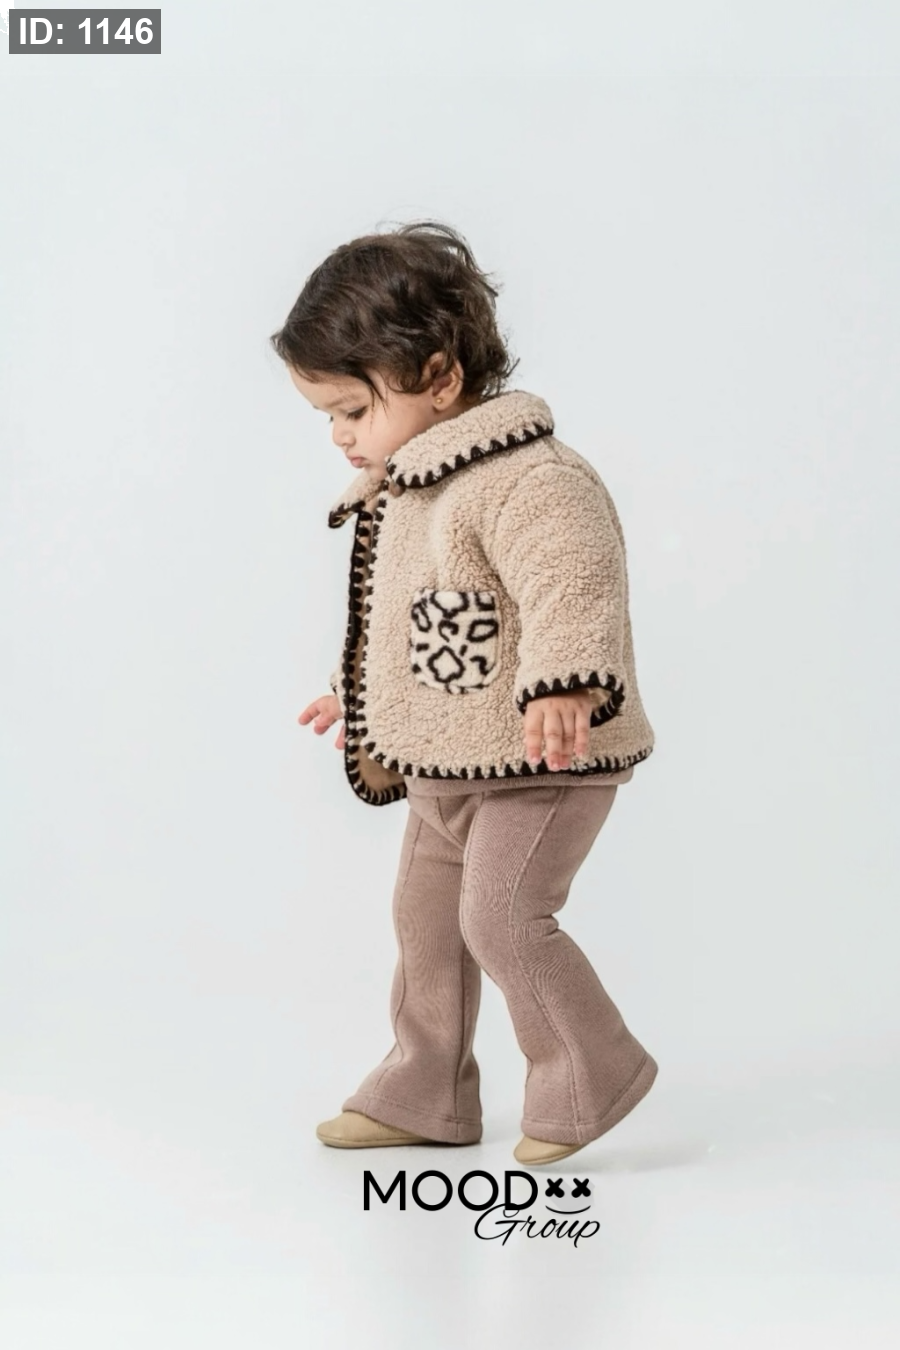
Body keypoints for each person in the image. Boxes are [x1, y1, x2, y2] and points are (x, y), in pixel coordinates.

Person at [270, 219, 658, 1166]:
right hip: (444, 759)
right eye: (326, 415)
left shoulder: (530, 478)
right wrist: (353, 691)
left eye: (352, 409)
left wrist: (567, 683)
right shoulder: (410, 489)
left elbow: (573, 582)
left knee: (502, 918)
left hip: (541, 758)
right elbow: (409, 616)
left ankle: (590, 1068)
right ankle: (425, 1086)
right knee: (427, 925)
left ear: (440, 378)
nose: (339, 434)